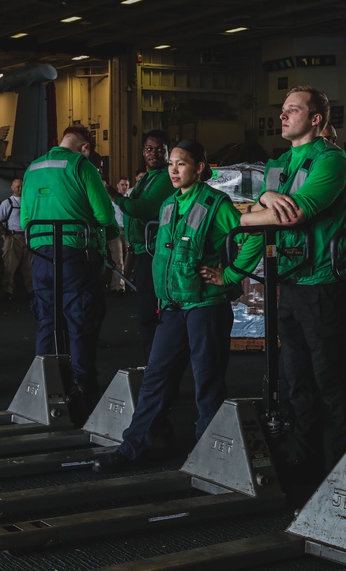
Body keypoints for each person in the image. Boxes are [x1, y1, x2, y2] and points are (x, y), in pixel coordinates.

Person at [96, 140, 250, 470]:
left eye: (182, 164)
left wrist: (231, 274)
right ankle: (133, 447)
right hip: (172, 307)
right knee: (155, 378)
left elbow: (249, 236)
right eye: (171, 164)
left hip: (205, 307)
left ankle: (208, 455)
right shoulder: (168, 205)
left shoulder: (215, 204)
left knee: (207, 381)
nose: (174, 169)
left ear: (200, 169)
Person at [239, 85, 346, 477]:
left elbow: (293, 214)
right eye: (282, 110)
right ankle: (304, 464)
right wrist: (261, 201)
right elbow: (261, 211)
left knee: (330, 381)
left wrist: (241, 215)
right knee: (296, 382)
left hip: (325, 285)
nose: (282, 115)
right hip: (291, 283)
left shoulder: (332, 162)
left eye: (293, 110)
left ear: (316, 119)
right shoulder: (281, 165)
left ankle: (344, 471)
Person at [21, 126, 118, 405]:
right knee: (80, 322)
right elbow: (103, 214)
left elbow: (26, 218)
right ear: (85, 147)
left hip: (40, 257)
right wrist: (109, 235)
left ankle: (44, 386)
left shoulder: (33, 168)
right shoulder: (81, 166)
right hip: (76, 257)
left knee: (47, 321)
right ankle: (82, 389)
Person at [113, 131, 176, 363]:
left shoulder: (164, 177)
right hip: (142, 250)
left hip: (154, 252)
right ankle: (152, 361)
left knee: (150, 313)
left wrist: (116, 197)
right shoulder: (148, 177)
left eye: (160, 149)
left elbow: (142, 208)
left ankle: (156, 364)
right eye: (149, 149)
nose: (154, 153)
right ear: (143, 152)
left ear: (167, 151)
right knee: (146, 313)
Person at [0, 178, 32, 302]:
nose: (20, 189)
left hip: (28, 237)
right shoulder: (7, 203)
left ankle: (30, 291)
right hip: (14, 237)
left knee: (29, 267)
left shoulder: (28, 202)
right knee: (10, 267)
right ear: (12, 188)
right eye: (17, 187)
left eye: (21, 186)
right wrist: (5, 234)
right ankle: (7, 291)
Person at [107, 177, 131, 294]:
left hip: (126, 231)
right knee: (118, 259)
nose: (124, 187)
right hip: (116, 230)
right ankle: (119, 286)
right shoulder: (112, 200)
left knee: (127, 260)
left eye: (126, 185)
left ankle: (119, 284)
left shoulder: (128, 200)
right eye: (122, 184)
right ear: (117, 185)